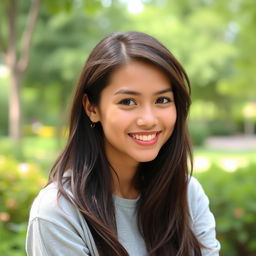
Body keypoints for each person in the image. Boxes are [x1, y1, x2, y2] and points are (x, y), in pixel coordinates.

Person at [26, 31, 220, 256]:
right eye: (128, 102)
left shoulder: (187, 194)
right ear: (92, 108)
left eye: (162, 100)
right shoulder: (58, 213)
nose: (148, 119)